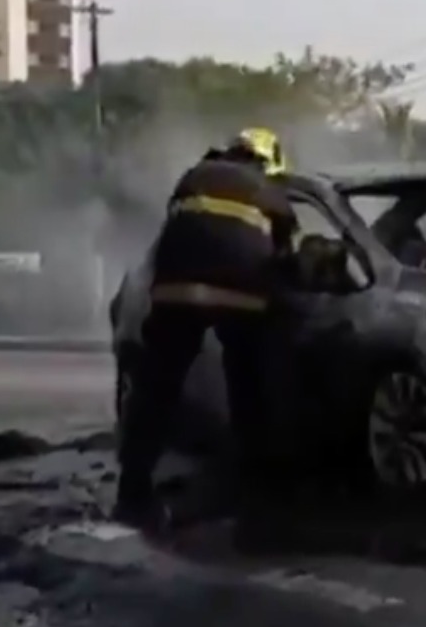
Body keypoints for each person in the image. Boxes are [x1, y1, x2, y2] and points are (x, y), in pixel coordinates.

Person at [114, 127, 299, 538]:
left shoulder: (193, 176)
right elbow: (286, 263)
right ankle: (257, 494)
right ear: (269, 162)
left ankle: (132, 492)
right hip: (242, 296)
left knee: (156, 390)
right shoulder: (273, 195)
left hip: (175, 291)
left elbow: (175, 234)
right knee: (249, 390)